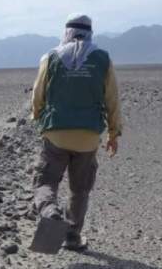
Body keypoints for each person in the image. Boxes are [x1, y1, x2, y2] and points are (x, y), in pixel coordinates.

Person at [31, 13, 122, 252]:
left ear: (67, 32)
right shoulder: (103, 59)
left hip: (56, 134)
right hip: (88, 137)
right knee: (80, 189)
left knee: (46, 181)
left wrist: (39, 119)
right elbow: (112, 99)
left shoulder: (50, 57)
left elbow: (38, 95)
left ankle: (50, 212)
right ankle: (72, 236)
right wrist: (114, 134)